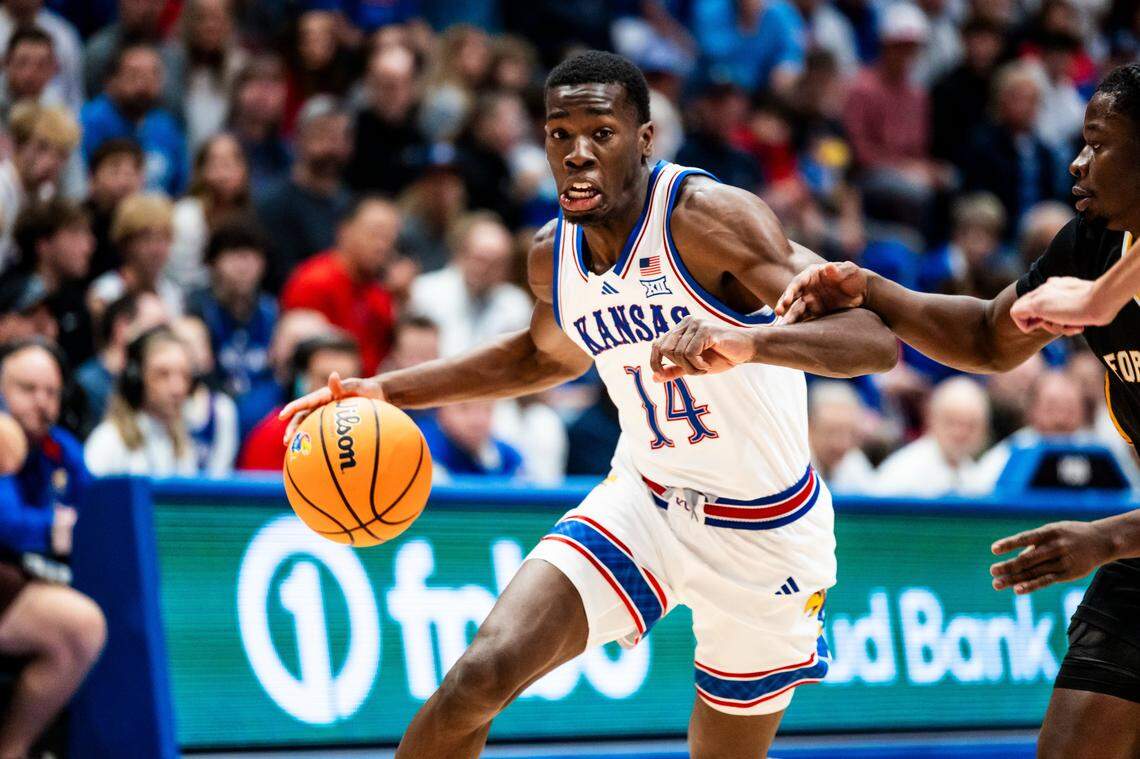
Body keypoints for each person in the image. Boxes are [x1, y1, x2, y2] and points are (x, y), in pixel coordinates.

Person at [280, 51, 897, 757]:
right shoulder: (552, 255)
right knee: (479, 675)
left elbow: (871, 339)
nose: (576, 153)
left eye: (599, 133)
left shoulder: (711, 220)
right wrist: (390, 389)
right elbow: (539, 356)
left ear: (643, 139)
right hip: (644, 500)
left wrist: (748, 340)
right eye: (558, 133)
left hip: (767, 532)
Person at [774, 62, 1140, 759]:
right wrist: (871, 289)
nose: (1077, 160)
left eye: (1101, 143)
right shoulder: (1089, 245)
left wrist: (1108, 540)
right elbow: (984, 337)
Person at [0, 339, 105, 759]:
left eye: (51, 392)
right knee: (79, 623)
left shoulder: (61, 448)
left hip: (25, 580)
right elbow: (7, 525)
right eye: (28, 389)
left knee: (84, 625)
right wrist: (51, 529)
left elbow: (96, 514)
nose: (41, 402)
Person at [279, 196, 398, 375]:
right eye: (375, 234)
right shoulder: (313, 282)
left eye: (388, 238)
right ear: (345, 230)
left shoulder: (381, 294)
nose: (381, 245)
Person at [186, 219, 277, 438]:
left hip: (263, 415)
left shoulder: (270, 310)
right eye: (234, 254)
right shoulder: (197, 307)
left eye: (252, 255)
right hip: (213, 410)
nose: (244, 265)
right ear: (213, 262)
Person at [255, 95, 354, 292]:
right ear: (298, 138)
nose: (331, 147)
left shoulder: (350, 204)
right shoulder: (272, 203)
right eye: (322, 135)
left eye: (339, 137)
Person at [408, 211, 531, 357]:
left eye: (497, 263)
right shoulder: (424, 291)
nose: (486, 270)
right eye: (481, 259)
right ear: (461, 254)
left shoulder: (515, 303)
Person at [238, 331, 359, 471]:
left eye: (348, 381)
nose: (339, 390)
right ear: (301, 380)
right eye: (325, 379)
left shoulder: (372, 433)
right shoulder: (272, 434)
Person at [84, 325, 197, 476]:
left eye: (185, 376)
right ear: (136, 378)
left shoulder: (184, 447)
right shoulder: (109, 441)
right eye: (163, 374)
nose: (178, 388)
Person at [80, 42, 188, 196]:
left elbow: (179, 186)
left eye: (153, 74)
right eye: (134, 74)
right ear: (111, 81)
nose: (144, 83)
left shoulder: (165, 125)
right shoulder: (89, 122)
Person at [869, 377, 991, 497]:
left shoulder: (976, 477)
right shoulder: (903, 471)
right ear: (931, 420)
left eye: (971, 425)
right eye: (951, 422)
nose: (960, 432)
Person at [0, 101, 79, 271]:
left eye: (61, 154)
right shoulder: (2, 187)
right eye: (42, 148)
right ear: (19, 144)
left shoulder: (45, 194)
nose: (52, 162)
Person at [74, 291, 167, 433]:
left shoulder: (151, 384)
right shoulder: (86, 384)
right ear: (122, 327)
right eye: (155, 329)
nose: (164, 339)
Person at [168, 132, 251, 290]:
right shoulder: (187, 215)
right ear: (201, 170)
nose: (224, 173)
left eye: (231, 163)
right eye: (216, 164)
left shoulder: (250, 215)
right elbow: (182, 278)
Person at [18, 199, 95, 364]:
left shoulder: (76, 303)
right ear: (43, 244)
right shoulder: (12, 297)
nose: (88, 246)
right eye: (75, 233)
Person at [87, 191, 180, 319]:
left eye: (163, 239)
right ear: (126, 244)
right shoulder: (106, 292)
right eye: (147, 240)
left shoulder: (172, 292)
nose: (156, 250)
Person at [171, 315, 238, 477]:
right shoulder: (157, 408)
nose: (190, 353)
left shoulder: (222, 408)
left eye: (197, 344)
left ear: (210, 356)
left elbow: (221, 471)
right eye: (182, 344)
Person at [0, 0, 82, 111]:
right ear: (6, 64)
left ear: (54, 69)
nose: (30, 74)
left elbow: (74, 99)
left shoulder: (63, 35)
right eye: (22, 63)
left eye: (41, 65)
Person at [83, 137, 144, 280]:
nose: (125, 182)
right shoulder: (81, 221)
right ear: (92, 178)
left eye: (133, 172)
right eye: (115, 171)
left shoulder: (142, 226)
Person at [422, 400, 525, 479]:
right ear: (440, 409)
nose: (477, 420)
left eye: (487, 409)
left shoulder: (508, 457)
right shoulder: (422, 450)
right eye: (464, 408)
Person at [807, 381, 874, 493]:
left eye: (850, 433)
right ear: (809, 427)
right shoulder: (794, 466)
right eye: (831, 432)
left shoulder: (854, 461)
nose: (841, 444)